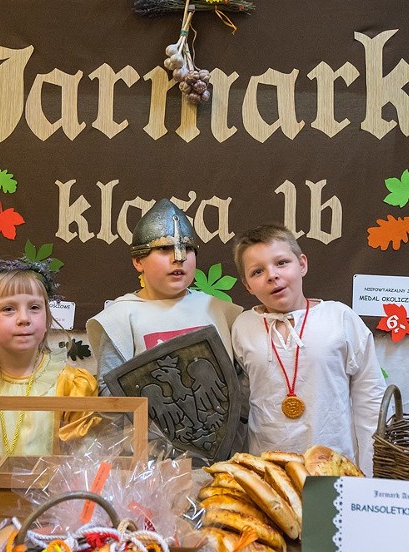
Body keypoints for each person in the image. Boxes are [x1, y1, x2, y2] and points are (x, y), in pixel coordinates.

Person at [231, 224, 386, 476]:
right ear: (248, 285)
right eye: (257, 271)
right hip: (268, 470)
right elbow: (240, 403)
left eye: (281, 263)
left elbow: (370, 399)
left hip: (333, 466)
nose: (272, 275)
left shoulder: (340, 318)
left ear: (302, 264)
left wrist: (372, 474)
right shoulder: (242, 327)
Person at [0, 258, 99, 463]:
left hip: (53, 494)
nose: (24, 318)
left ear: (47, 322)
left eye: (34, 307)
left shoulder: (73, 385)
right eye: (8, 309)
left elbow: (82, 459)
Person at [87, 198, 243, 396]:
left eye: (187, 248)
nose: (179, 258)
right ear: (138, 261)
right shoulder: (120, 317)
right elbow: (111, 395)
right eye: (164, 248)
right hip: (147, 426)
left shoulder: (218, 310)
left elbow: (241, 382)